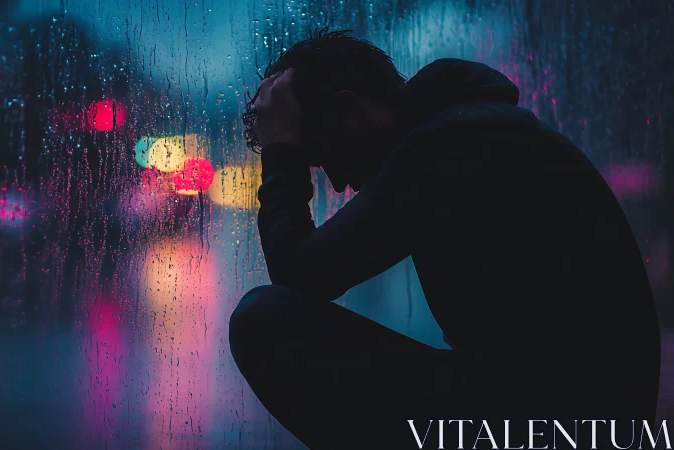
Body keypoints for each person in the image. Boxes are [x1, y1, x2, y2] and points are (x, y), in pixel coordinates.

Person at [228, 29, 661, 449]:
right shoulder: (465, 132)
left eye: (326, 158)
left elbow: (300, 274)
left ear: (351, 110)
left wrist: (282, 153)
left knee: (260, 321)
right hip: (576, 411)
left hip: (550, 418)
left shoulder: (446, 148)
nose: (338, 183)